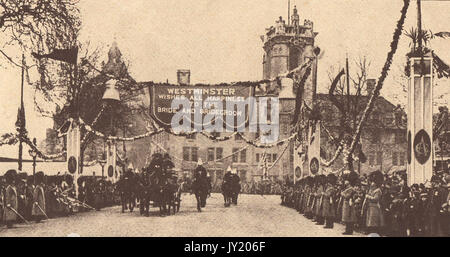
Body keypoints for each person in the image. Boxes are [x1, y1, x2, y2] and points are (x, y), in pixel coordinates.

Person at [363, 170, 385, 235]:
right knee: (370, 221)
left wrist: (368, 197)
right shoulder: (372, 190)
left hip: (375, 207)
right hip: (370, 207)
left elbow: (375, 199)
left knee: (373, 221)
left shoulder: (378, 191)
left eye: (373, 183)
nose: (371, 185)